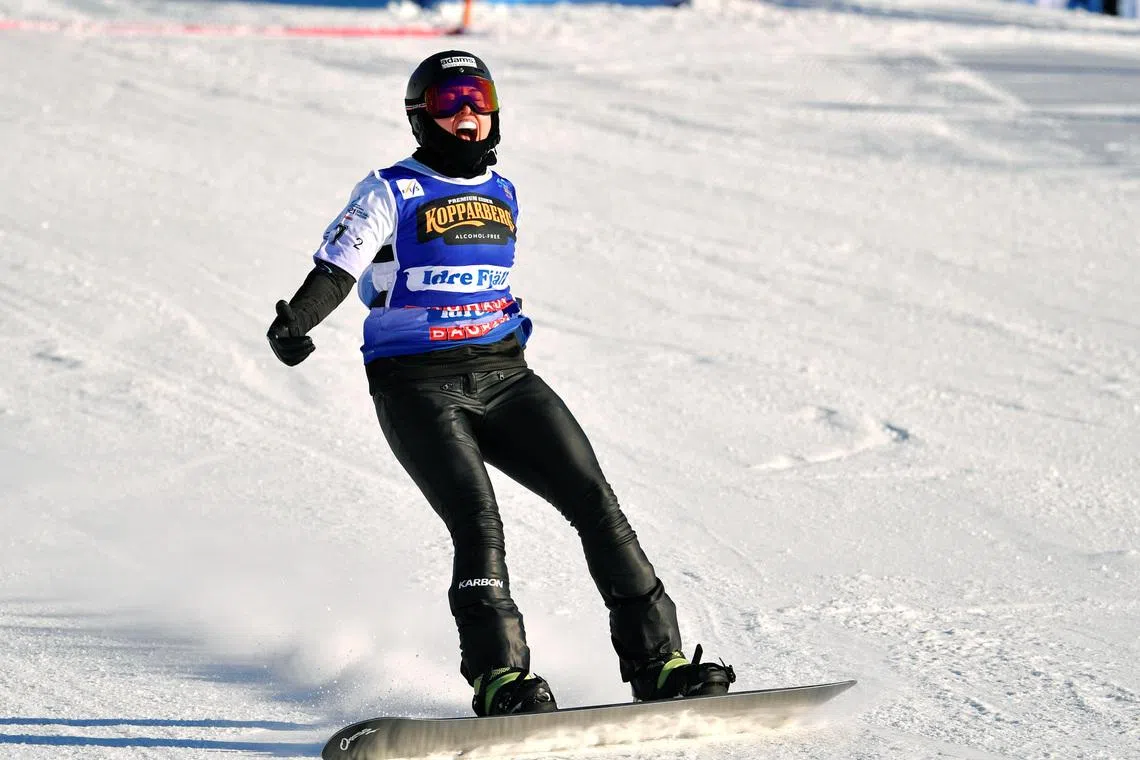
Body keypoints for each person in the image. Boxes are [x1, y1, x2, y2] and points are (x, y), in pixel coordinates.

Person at [266, 50, 735, 717]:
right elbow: (338, 267)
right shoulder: (389, 190)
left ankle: (658, 664)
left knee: (596, 503)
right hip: (416, 384)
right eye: (449, 101)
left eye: (478, 100)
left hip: (506, 376)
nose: (467, 114)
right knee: (478, 523)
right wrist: (298, 321)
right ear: (419, 116)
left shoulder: (503, 192)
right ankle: (500, 679)